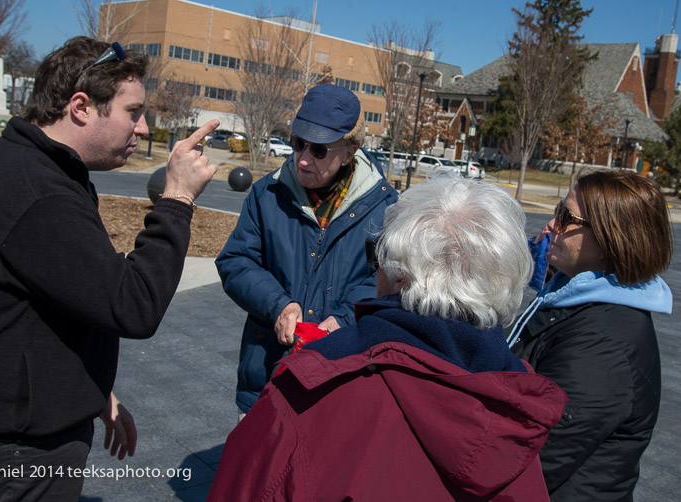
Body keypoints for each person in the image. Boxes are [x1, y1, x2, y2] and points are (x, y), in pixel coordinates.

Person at [0, 37, 218, 500]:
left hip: (16, 435)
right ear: (80, 106)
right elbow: (133, 305)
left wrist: (95, 392)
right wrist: (177, 200)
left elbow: (66, 296)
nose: (142, 128)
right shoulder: (35, 190)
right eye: (132, 112)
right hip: (7, 450)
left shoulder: (44, 170)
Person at [208, 176, 567, 501]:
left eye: (375, 254)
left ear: (400, 276)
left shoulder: (308, 392)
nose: (373, 268)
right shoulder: (521, 411)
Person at [215, 83, 398, 416]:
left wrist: (344, 319)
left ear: (349, 151)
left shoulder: (385, 209)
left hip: (340, 379)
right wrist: (279, 305)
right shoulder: (265, 194)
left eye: (319, 149)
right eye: (298, 143)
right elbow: (236, 261)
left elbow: (387, 279)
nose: (302, 158)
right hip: (268, 372)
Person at [507, 170, 674, 500]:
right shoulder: (570, 298)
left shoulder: (603, 345)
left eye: (567, 217)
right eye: (558, 210)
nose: (553, 224)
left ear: (612, 238)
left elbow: (534, 458)